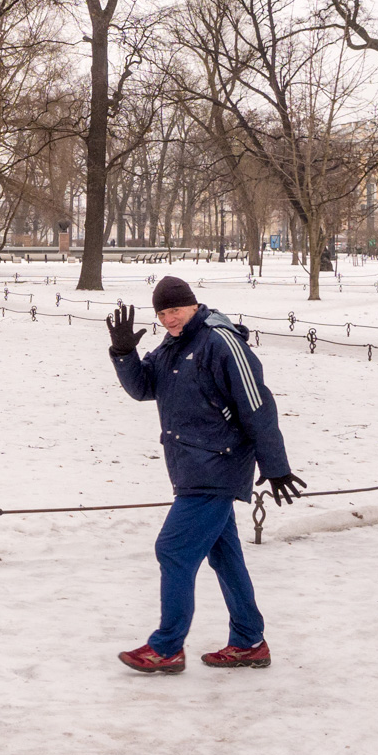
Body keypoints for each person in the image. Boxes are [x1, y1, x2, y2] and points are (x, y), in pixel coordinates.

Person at [105, 276, 306, 674]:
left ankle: (167, 647)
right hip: (190, 465)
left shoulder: (221, 341)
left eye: (174, 310)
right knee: (225, 556)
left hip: (218, 464)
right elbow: (144, 388)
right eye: (162, 313)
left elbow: (256, 405)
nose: (168, 319)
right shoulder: (172, 345)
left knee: (174, 550)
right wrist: (124, 352)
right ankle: (249, 641)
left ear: (193, 305)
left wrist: (276, 465)